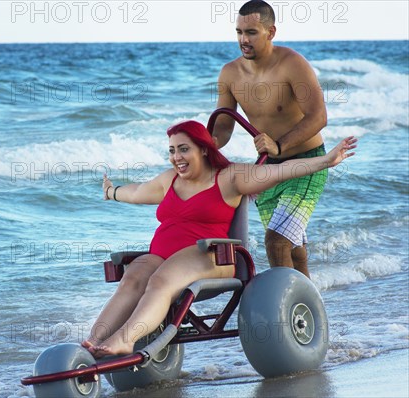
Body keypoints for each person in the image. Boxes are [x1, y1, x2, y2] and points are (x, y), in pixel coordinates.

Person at [82, 120, 356, 358]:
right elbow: (137, 191)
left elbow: (280, 171)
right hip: (162, 256)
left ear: (203, 148)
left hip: (210, 256)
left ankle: (125, 340)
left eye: (184, 149)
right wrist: (111, 191)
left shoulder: (229, 177)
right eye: (172, 150)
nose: (177, 157)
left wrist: (325, 161)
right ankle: (92, 344)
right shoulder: (169, 180)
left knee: (160, 280)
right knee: (133, 278)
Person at [211, 0, 328, 278]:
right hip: (267, 167)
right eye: (239, 32)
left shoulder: (292, 64)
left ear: (270, 32)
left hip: (305, 164)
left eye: (251, 32)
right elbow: (223, 127)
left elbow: (318, 116)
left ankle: (283, 314)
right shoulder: (230, 73)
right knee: (294, 248)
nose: (243, 39)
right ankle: (308, 312)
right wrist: (202, 149)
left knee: (276, 242)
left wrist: (280, 144)